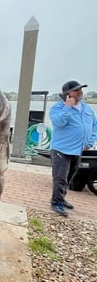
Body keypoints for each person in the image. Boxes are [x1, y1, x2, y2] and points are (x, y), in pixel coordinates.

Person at [49, 80, 97, 216]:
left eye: (80, 89)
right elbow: (59, 122)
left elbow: (94, 126)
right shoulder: (57, 108)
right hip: (61, 149)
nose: (80, 92)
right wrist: (67, 107)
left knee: (70, 177)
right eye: (76, 90)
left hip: (78, 149)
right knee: (60, 178)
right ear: (67, 94)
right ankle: (56, 202)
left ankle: (61, 198)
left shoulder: (86, 108)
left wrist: (90, 141)